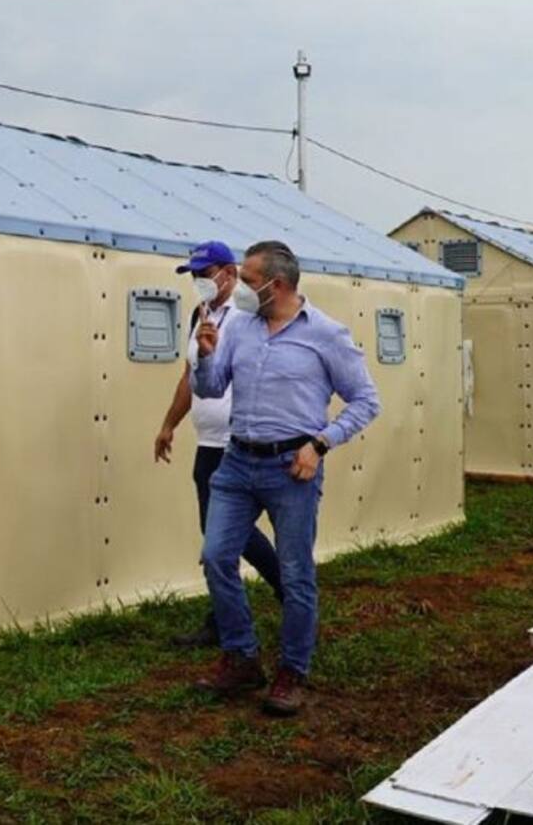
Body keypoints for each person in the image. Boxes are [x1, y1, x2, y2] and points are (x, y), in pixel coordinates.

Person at [191, 241, 380, 716]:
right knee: (215, 557)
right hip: (237, 461)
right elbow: (212, 388)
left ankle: (291, 671)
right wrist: (207, 356)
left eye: (250, 281)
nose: (242, 289)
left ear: (278, 284)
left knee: (295, 574)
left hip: (291, 467)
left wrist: (320, 444)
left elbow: (365, 401)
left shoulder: (326, 334)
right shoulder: (240, 328)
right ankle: (242, 657)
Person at [155, 241, 283, 648]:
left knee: (228, 535)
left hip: (238, 442)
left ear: (229, 273)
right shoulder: (201, 314)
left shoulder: (247, 317)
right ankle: (235, 611)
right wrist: (169, 424)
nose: (198, 282)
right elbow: (190, 376)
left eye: (204, 274)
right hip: (207, 443)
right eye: (193, 275)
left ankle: (277, 595)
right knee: (218, 536)